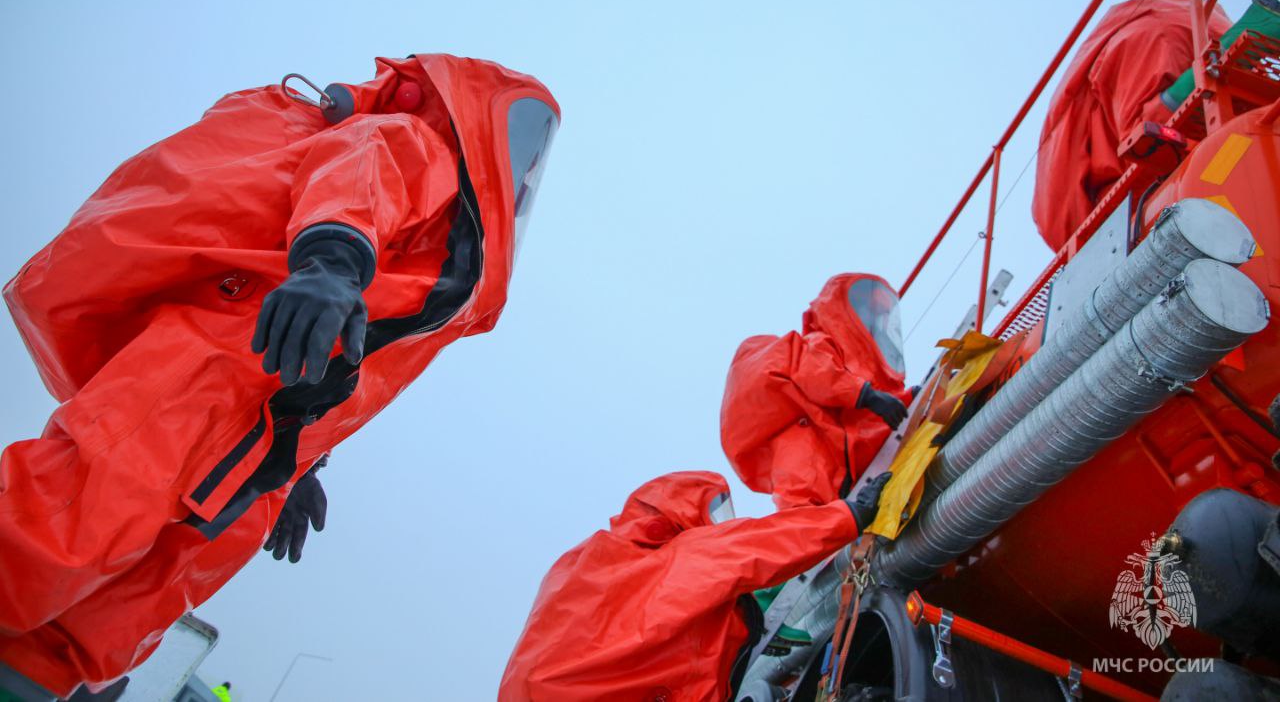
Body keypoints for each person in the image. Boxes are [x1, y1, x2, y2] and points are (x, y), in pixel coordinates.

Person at [0, 54, 559, 698]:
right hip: (209, 371)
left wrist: (300, 469)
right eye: (527, 148)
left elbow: (357, 365)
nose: (527, 171)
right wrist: (331, 263)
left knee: (137, 596)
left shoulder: (448, 246)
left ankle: (34, 678)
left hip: (262, 443)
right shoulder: (413, 144)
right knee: (67, 521)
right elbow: (358, 172)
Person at [499, 470, 890, 702]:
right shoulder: (665, 556)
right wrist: (847, 517)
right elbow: (743, 552)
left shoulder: (598, 567)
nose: (720, 524)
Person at [1031, 0, 1231, 252]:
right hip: (1205, 22)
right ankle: (1239, 39)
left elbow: (1143, 132)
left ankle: (1239, 42)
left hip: (1146, 40)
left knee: (1149, 134)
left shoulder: (1057, 206)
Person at [720, 273, 911, 511]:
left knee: (814, 518)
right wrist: (867, 395)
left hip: (834, 470)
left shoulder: (853, 372)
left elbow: (861, 429)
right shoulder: (818, 345)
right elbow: (816, 372)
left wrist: (908, 399)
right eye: (869, 314)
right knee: (805, 517)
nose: (873, 323)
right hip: (808, 455)